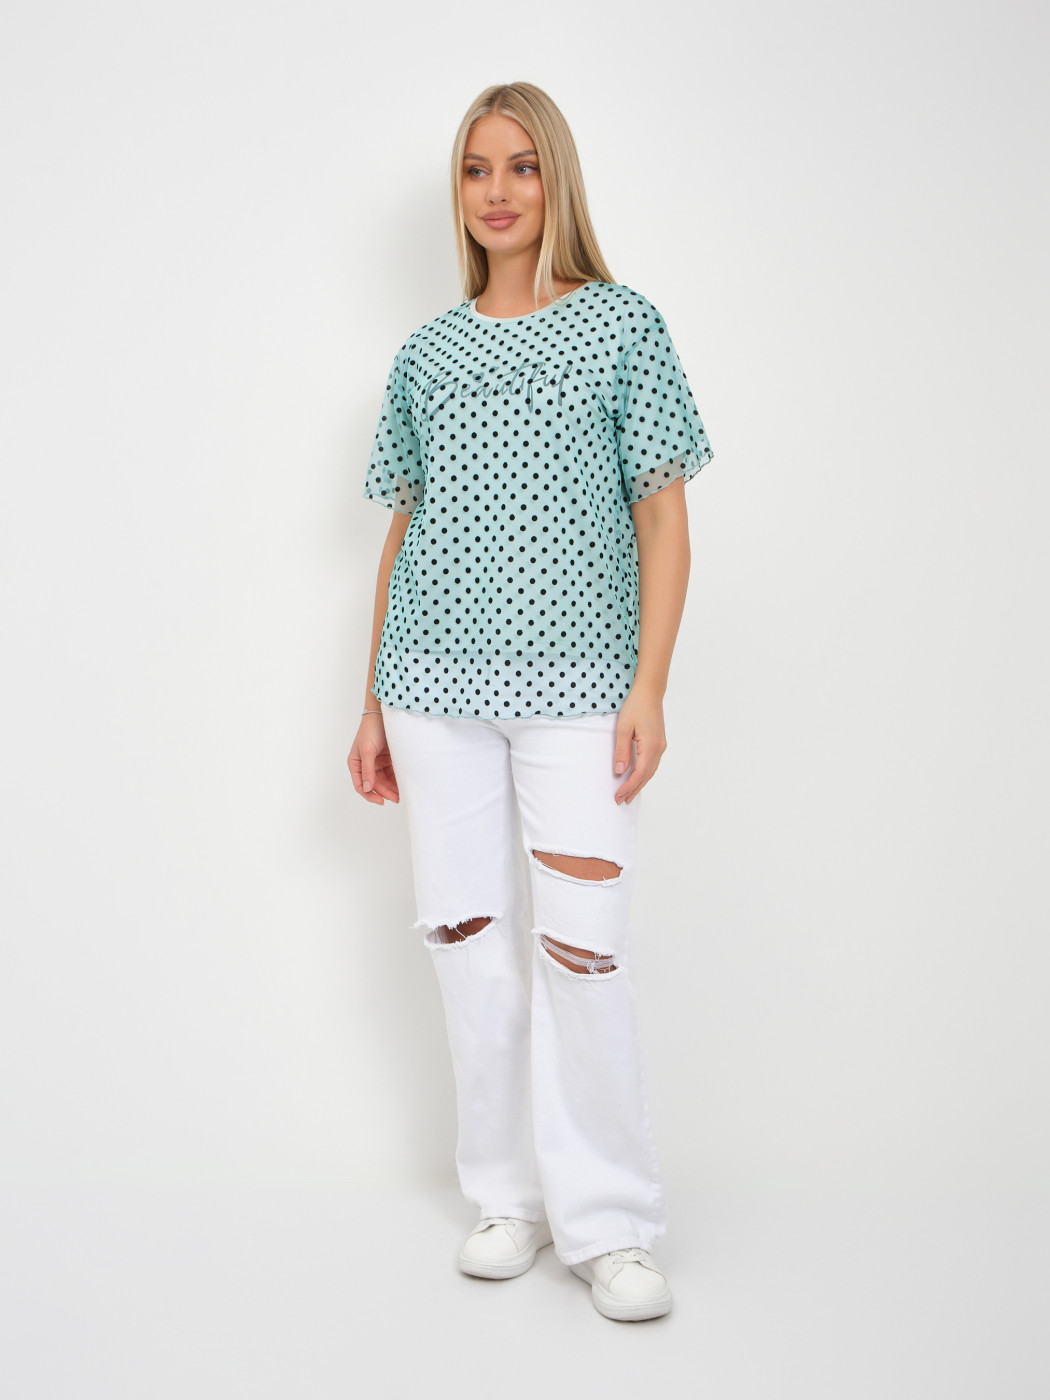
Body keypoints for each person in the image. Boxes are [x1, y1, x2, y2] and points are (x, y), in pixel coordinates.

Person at [348, 81, 715, 1323]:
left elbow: (663, 515)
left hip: (579, 691)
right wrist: (371, 701)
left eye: (521, 166)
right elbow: (403, 529)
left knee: (584, 948)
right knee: (465, 941)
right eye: (475, 169)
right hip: (432, 689)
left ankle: (609, 1220)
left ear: (556, 180)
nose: (497, 191)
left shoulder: (621, 325)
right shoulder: (426, 352)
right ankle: (506, 1195)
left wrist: (649, 684)